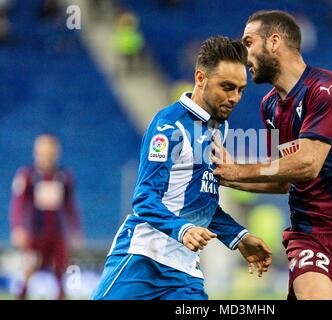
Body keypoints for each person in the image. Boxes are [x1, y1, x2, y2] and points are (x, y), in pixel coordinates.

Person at [212, 10, 332, 300]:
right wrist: (222, 177)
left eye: (248, 42)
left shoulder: (325, 87)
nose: (244, 55)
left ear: (274, 42)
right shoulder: (269, 106)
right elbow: (282, 179)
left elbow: (308, 163)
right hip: (310, 237)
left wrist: (237, 171)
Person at [91, 36, 272, 300]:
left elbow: (202, 204)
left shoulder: (219, 129)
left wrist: (239, 236)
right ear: (200, 78)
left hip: (184, 272)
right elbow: (144, 198)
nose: (234, 98)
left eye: (240, 90)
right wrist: (183, 229)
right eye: (227, 87)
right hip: (143, 259)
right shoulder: (169, 125)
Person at [9, 134, 83, 300]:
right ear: (36, 152)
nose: (46, 155)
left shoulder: (64, 176)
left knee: (61, 273)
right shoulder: (27, 175)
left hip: (57, 235)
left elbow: (71, 205)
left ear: (56, 152)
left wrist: (75, 229)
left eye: (50, 151)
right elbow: (18, 204)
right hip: (34, 234)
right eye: (42, 151)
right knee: (28, 271)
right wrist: (17, 227)